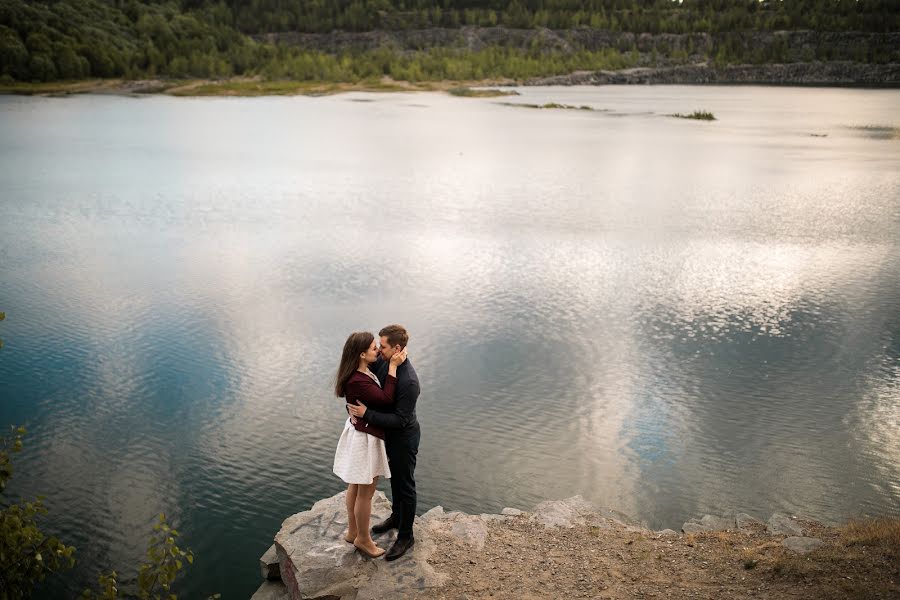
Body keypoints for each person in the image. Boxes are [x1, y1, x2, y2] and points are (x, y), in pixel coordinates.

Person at [347, 324, 420, 561]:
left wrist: (366, 414)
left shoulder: (409, 382)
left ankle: (406, 536)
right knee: (394, 481)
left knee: (404, 484)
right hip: (385, 435)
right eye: (377, 345)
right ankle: (396, 518)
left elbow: (400, 420)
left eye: (383, 346)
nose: (378, 349)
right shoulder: (383, 362)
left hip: (403, 438)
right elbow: (361, 374)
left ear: (397, 348)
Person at [333, 331, 407, 559]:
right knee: (365, 492)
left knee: (355, 486)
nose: (377, 351)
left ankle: (353, 531)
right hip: (366, 439)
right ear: (362, 354)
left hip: (359, 433)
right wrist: (393, 368)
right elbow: (386, 399)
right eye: (374, 348)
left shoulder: (360, 372)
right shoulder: (358, 380)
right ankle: (363, 540)